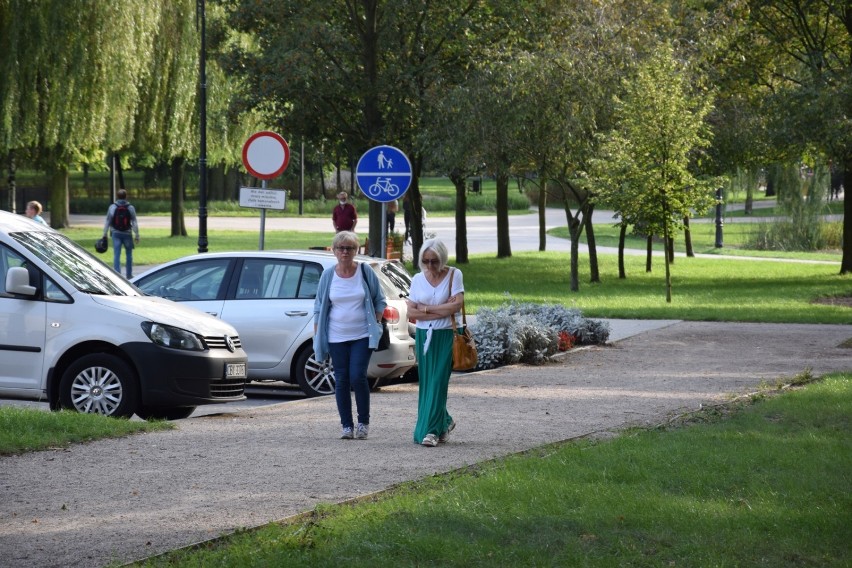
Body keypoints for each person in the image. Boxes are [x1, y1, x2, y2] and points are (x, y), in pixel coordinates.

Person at [313, 231, 387, 440]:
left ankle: (363, 422)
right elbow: (319, 306)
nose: (345, 252)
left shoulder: (364, 271)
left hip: (362, 335)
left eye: (349, 248)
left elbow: (380, 300)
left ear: (356, 251)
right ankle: (347, 425)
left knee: (358, 376)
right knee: (341, 380)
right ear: (334, 250)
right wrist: (318, 332)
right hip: (336, 336)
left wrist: (377, 321)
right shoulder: (328, 275)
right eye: (341, 248)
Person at [405, 238, 464, 447]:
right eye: (426, 261)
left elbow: (456, 307)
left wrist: (426, 309)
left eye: (434, 261)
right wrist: (440, 310)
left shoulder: (454, 275)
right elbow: (410, 312)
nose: (430, 265)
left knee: (438, 382)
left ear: (442, 258)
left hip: (445, 335)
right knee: (427, 384)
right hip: (423, 337)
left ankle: (430, 431)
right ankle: (444, 422)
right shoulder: (417, 279)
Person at [102, 189, 140, 278]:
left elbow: (108, 220)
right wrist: (137, 234)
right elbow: (134, 222)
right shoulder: (130, 207)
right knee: (129, 255)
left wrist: (104, 233)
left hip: (116, 233)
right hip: (127, 234)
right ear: (126, 196)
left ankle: (117, 275)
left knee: (116, 254)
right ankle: (129, 275)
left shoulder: (112, 207)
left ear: (117, 196)